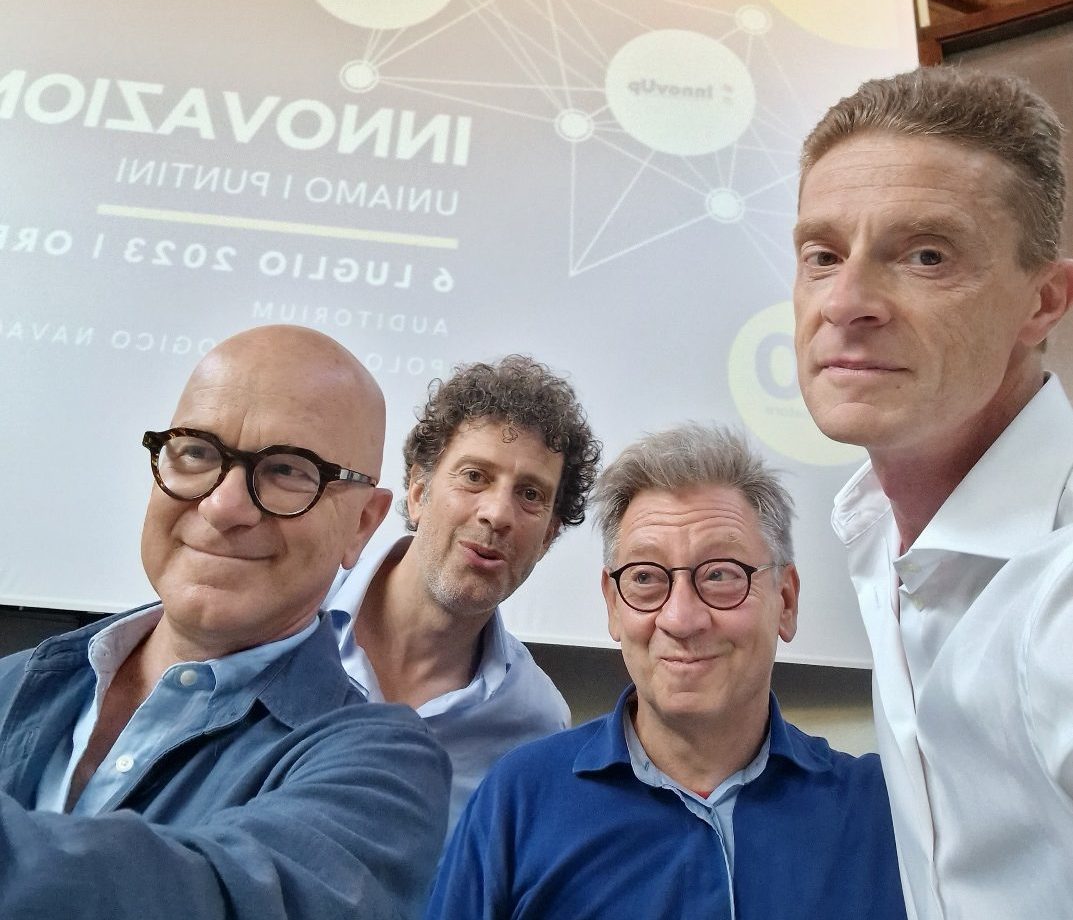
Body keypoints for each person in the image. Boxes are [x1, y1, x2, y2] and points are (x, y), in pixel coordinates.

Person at [0, 325, 450, 920]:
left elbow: (233, 899)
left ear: (363, 524)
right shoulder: (14, 681)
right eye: (197, 452)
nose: (224, 506)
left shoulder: (381, 771)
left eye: (288, 469)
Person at [793, 66, 1073, 920]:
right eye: (821, 256)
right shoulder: (875, 530)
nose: (845, 302)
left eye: (926, 256)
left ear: (1043, 301)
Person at [425, 423, 905, 920]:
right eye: (645, 578)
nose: (680, 618)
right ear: (613, 606)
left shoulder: (883, 809)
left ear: (785, 600)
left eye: (720, 575)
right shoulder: (519, 801)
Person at [328, 354, 600, 829]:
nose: (498, 514)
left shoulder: (537, 727)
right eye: (475, 477)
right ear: (418, 492)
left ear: (548, 538)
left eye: (530, 495)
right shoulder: (292, 618)